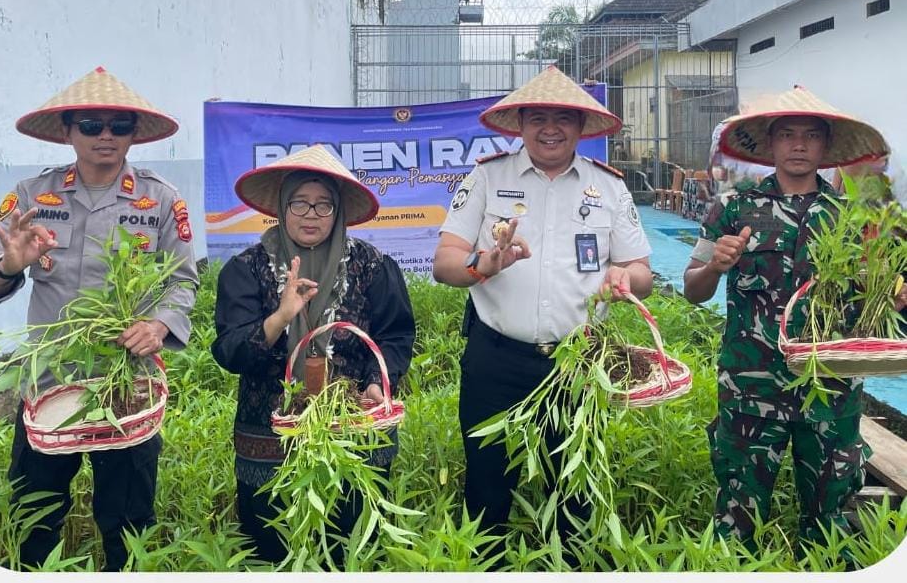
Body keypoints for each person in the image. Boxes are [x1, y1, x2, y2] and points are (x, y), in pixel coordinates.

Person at [0, 66, 199, 571]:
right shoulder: (32, 197)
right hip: (50, 382)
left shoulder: (161, 200)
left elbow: (183, 282)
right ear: (68, 131)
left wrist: (158, 325)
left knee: (129, 520)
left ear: (134, 134)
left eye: (119, 125)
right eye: (91, 125)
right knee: (35, 514)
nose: (105, 136)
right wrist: (10, 266)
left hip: (126, 385)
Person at [431, 65, 654, 535]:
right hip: (495, 360)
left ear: (581, 126)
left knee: (572, 496)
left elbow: (642, 273)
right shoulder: (487, 177)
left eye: (562, 118)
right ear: (520, 124)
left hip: (577, 365)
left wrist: (624, 277)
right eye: (537, 118)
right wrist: (484, 265)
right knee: (487, 490)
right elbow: (445, 263)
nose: (550, 129)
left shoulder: (608, 186)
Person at [682, 85, 893, 553]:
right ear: (771, 143)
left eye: (811, 135)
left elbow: (872, 306)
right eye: (788, 135)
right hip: (751, 387)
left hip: (830, 390)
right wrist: (715, 265)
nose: (799, 145)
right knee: (737, 515)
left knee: (830, 518)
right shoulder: (734, 208)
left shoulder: (851, 218)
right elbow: (692, 290)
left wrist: (891, 294)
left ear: (826, 146)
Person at [211, 145, 415, 565]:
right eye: (299, 202)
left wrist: (377, 384)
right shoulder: (246, 269)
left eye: (324, 205)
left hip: (354, 429)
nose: (311, 214)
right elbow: (231, 352)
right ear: (281, 208)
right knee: (271, 548)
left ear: (338, 212)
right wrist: (282, 315)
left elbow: (395, 335)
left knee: (352, 546)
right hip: (269, 437)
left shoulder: (372, 266)